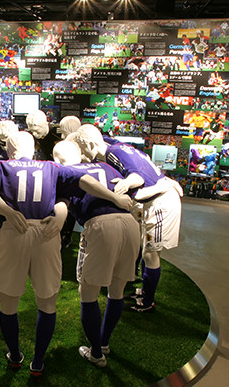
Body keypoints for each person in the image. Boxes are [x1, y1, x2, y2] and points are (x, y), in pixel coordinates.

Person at [0, 131, 133, 378]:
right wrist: (114, 197)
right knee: (47, 304)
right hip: (46, 232)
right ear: (34, 149)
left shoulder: (0, 166)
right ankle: (38, 362)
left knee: (9, 304)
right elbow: (84, 180)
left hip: (14, 232)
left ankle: (16, 354)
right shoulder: (50, 166)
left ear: (9, 150)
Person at [72, 125, 183, 313]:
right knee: (145, 249)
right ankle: (144, 291)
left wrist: (127, 184)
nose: (84, 155)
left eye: (83, 149)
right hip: (154, 200)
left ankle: (147, 301)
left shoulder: (113, 153)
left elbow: (138, 178)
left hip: (158, 203)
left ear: (90, 144)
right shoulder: (113, 145)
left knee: (151, 253)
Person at [52, 141, 141, 367]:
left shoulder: (63, 172)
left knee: (88, 291)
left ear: (56, 159)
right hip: (130, 224)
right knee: (117, 290)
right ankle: (103, 344)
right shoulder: (106, 166)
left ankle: (96, 353)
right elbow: (135, 178)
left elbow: (86, 182)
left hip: (101, 226)